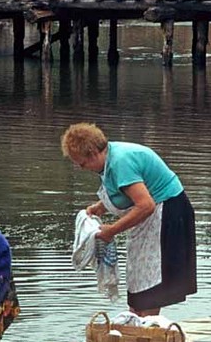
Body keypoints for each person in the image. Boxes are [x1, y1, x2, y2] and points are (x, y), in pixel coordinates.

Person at [62, 123, 197, 316]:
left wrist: (112, 230)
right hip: (154, 212)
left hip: (168, 213)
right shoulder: (109, 160)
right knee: (137, 276)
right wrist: (101, 206)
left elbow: (145, 205)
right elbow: (124, 191)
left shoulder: (120, 162)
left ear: (92, 153)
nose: (81, 168)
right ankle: (137, 321)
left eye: (82, 163)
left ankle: (147, 328)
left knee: (150, 281)